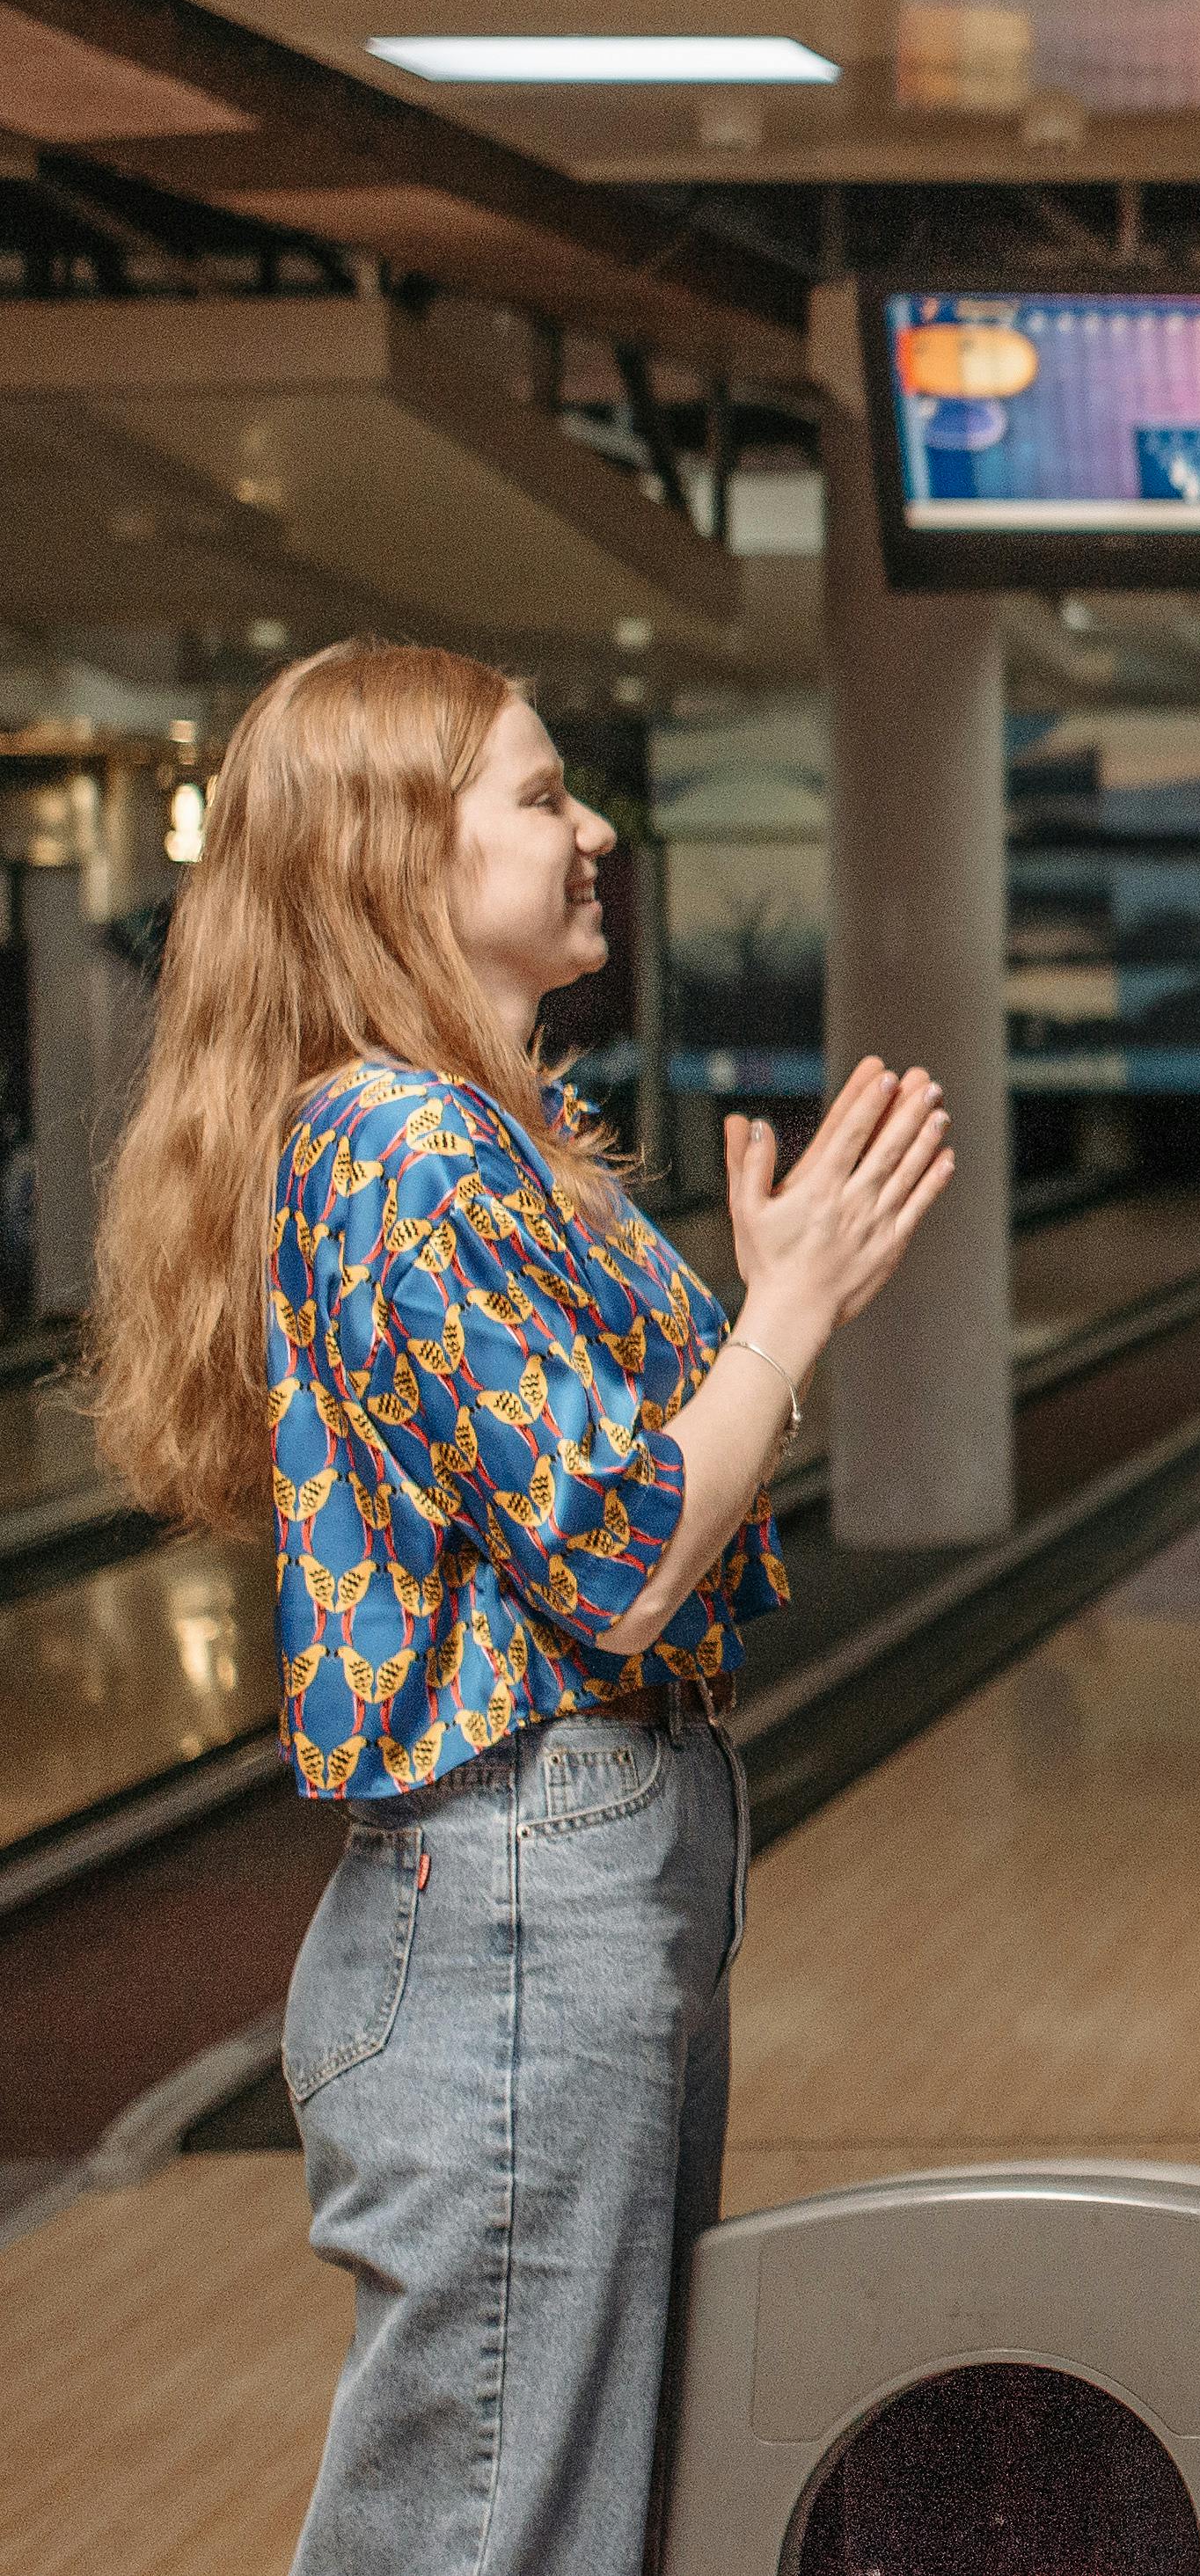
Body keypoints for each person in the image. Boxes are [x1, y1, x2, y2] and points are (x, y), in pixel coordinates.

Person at [87, 639, 952, 2576]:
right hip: (512, 1895)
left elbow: (614, 1492)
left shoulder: (477, 1138)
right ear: (401, 853)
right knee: (503, 2530)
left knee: (558, 2516)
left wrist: (758, 1316)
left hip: (575, 1872)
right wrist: (790, 1310)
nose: (592, 832)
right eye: (544, 795)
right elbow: (628, 1552)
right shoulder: (401, 1147)